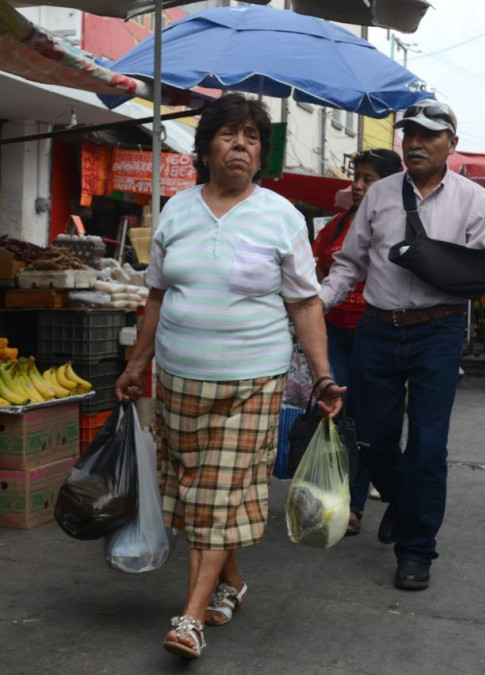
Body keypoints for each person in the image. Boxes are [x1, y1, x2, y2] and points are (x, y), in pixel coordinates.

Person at [115, 93, 344, 661]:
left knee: (216, 496)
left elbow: (306, 304)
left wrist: (321, 375)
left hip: (252, 380)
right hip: (177, 379)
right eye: (228, 134)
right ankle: (231, 583)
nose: (240, 145)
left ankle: (189, 618)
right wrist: (137, 364)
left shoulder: (281, 215)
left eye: (251, 138)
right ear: (206, 146)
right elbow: (157, 295)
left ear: (261, 154)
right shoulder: (176, 210)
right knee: (200, 497)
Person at [319, 100, 485, 591]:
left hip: (438, 332)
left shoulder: (476, 201)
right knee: (371, 438)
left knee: (427, 444)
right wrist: (317, 304)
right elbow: (349, 263)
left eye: (429, 135)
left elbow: (478, 276)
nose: (416, 143)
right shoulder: (378, 195)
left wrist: (437, 266)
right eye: (409, 134)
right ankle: (403, 500)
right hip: (377, 330)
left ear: (451, 144)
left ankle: (416, 550)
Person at [311, 148, 403, 536]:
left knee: (366, 423)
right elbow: (315, 273)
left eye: (369, 178)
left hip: (376, 333)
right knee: (337, 417)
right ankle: (333, 500)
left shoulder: (399, 225)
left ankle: (361, 504)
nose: (360, 186)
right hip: (333, 332)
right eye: (357, 177)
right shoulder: (333, 227)